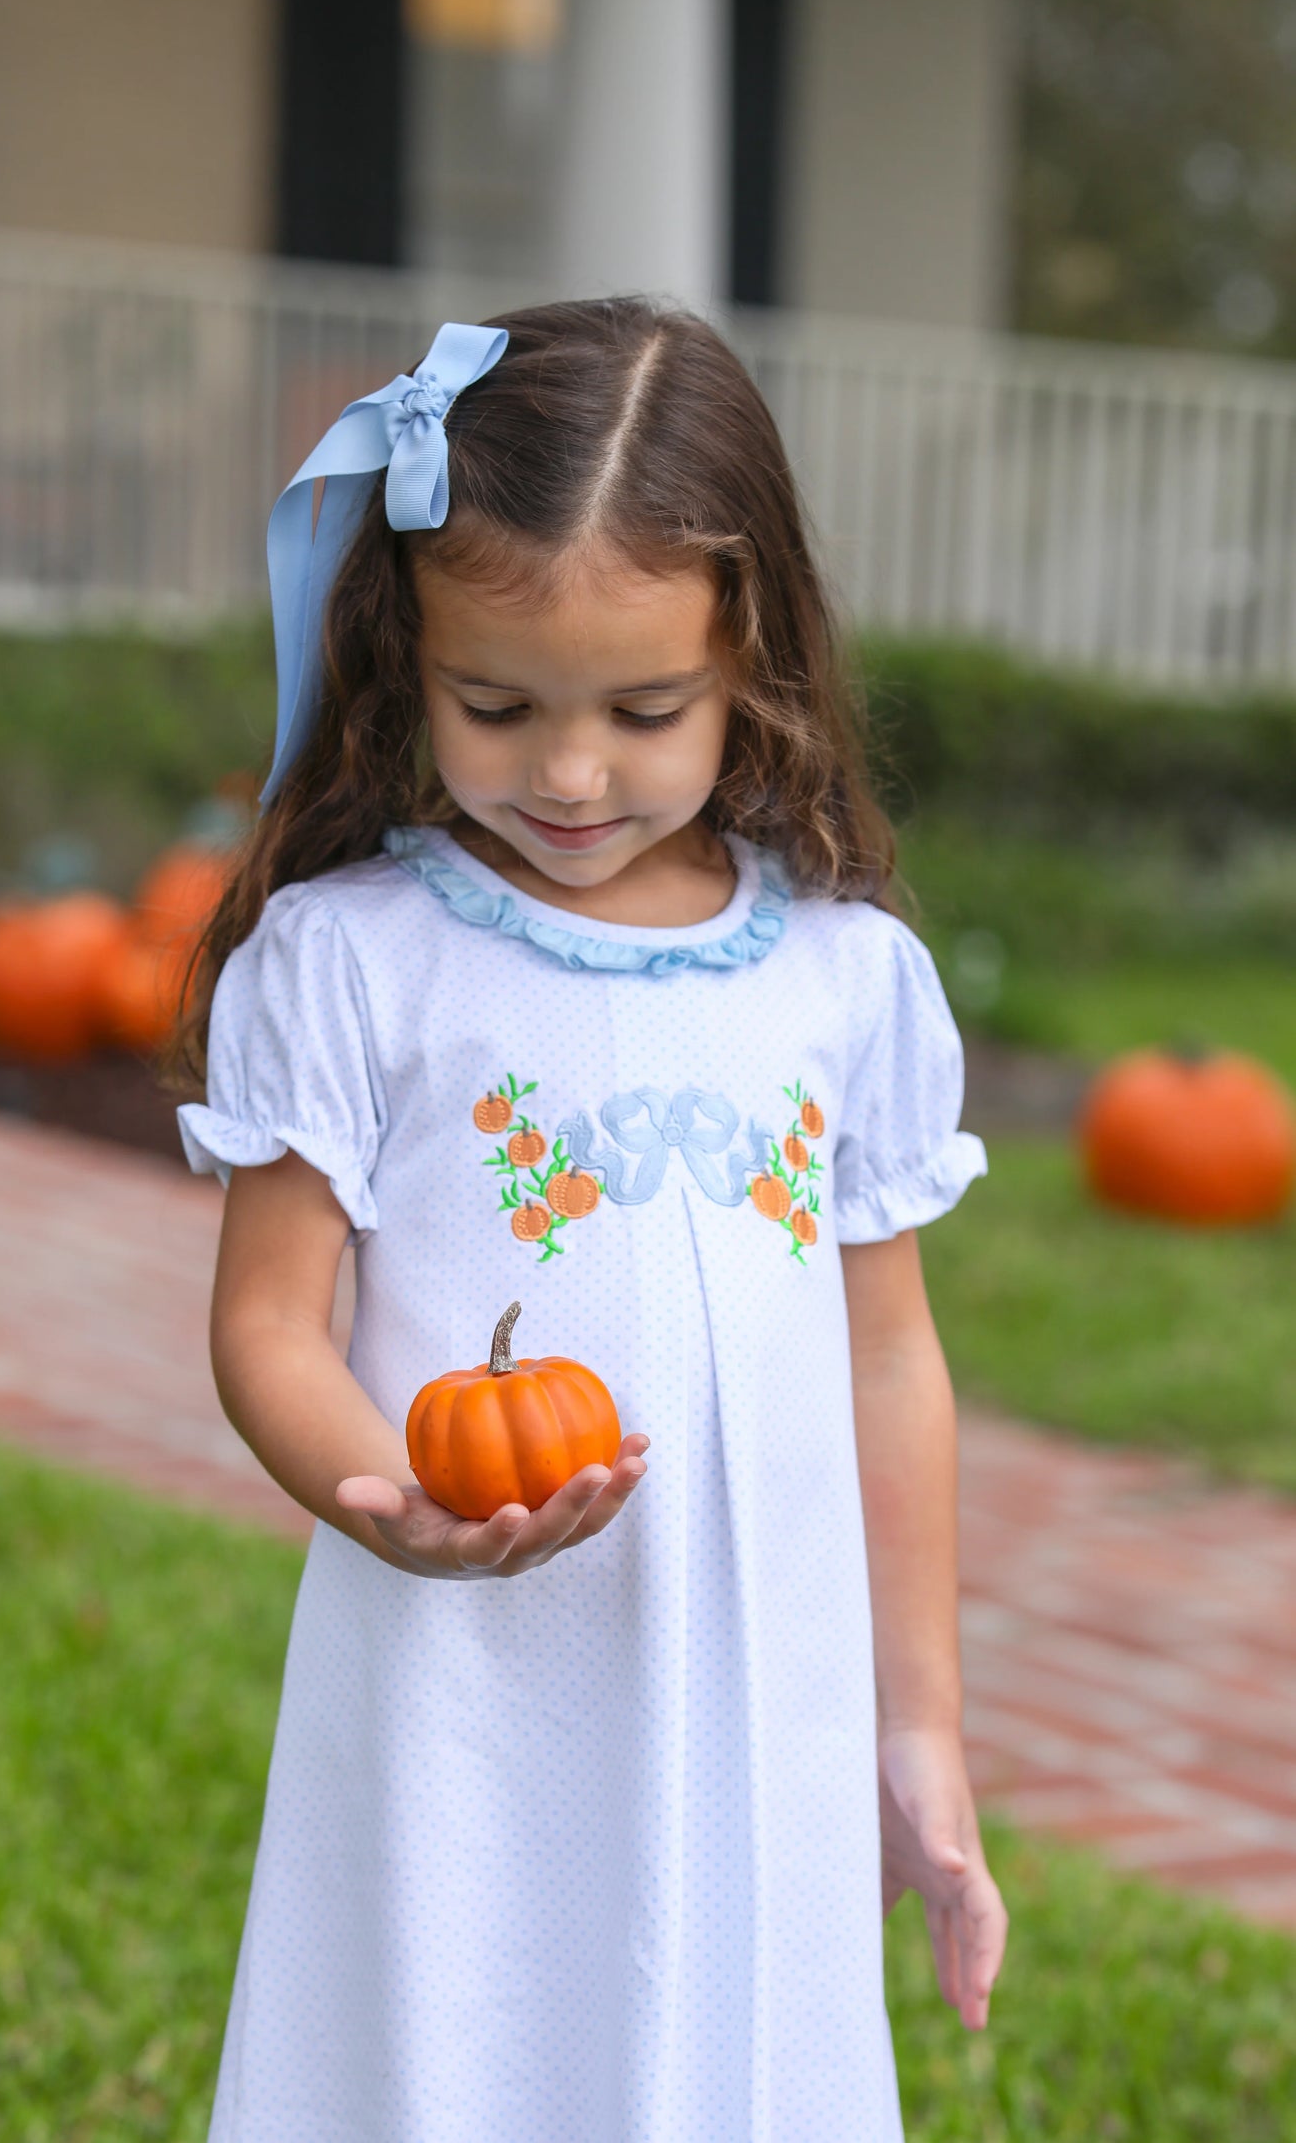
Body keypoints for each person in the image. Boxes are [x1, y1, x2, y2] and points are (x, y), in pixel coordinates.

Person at [172, 300, 1008, 2142]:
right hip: (474, 1677)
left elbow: (890, 1364)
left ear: (751, 664)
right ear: (411, 662)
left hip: (758, 1694)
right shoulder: (354, 963)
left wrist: (917, 1734)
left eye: (643, 712)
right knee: (464, 2042)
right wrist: (381, 1502)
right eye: (499, 706)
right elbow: (267, 1326)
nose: (567, 774)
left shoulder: (844, 980)